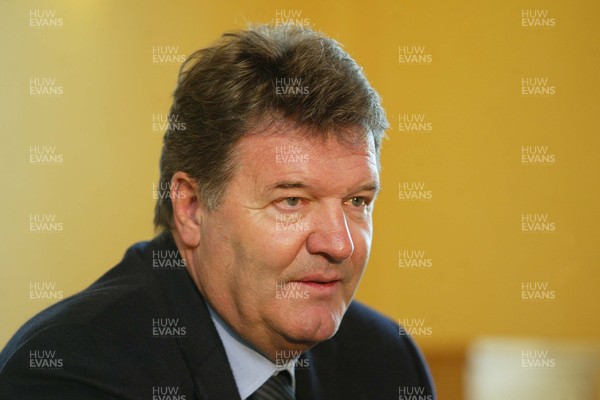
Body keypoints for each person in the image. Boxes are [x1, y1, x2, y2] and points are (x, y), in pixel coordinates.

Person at [0, 24, 435, 399]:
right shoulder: (71, 373)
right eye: (292, 201)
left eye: (357, 201)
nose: (339, 243)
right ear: (189, 208)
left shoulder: (387, 361)